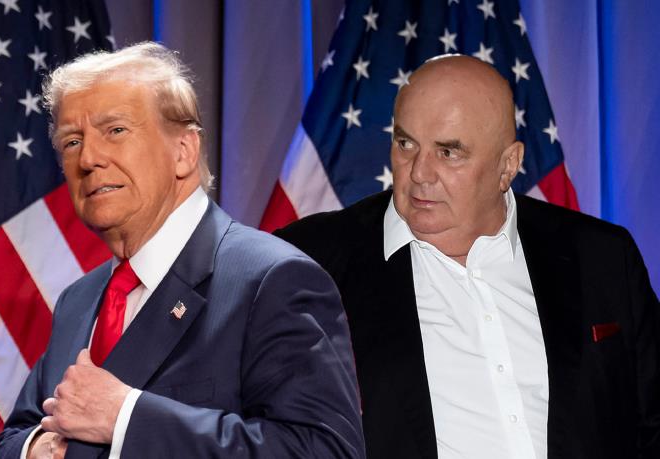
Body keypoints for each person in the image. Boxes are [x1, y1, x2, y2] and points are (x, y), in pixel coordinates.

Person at [0, 42, 364, 459]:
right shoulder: (78, 301)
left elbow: (325, 450)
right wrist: (41, 448)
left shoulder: (271, 279)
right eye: (72, 142)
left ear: (183, 151)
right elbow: (10, 441)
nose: (89, 158)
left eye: (115, 130)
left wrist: (126, 418)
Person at [276, 55, 660, 459]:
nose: (419, 173)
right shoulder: (310, 263)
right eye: (405, 144)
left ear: (508, 165)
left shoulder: (601, 257)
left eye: (448, 152)